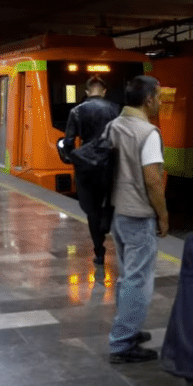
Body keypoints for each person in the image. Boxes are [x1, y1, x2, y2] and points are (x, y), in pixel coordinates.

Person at [106, 76, 167, 364]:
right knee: (138, 280)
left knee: (126, 276)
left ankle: (127, 327)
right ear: (149, 100)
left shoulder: (114, 125)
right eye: (159, 97)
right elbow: (153, 180)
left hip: (117, 211)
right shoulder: (148, 133)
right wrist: (163, 215)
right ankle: (122, 342)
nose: (161, 102)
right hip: (139, 214)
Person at [63, 76, 120, 265]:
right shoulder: (115, 109)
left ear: (87, 92)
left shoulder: (76, 111)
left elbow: (68, 142)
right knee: (110, 198)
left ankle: (99, 251)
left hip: (86, 165)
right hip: (109, 161)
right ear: (104, 91)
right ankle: (106, 222)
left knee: (91, 210)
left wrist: (74, 157)